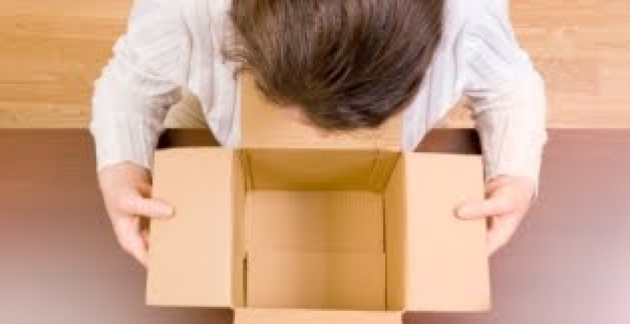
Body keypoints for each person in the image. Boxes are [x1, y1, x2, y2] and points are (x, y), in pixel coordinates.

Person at [92, 0, 547, 266]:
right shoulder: (186, 10)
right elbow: (132, 81)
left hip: (400, 149)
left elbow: (509, 87)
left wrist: (515, 172)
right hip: (213, 123)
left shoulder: (469, 13)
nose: (321, 138)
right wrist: (122, 164)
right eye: (302, 114)